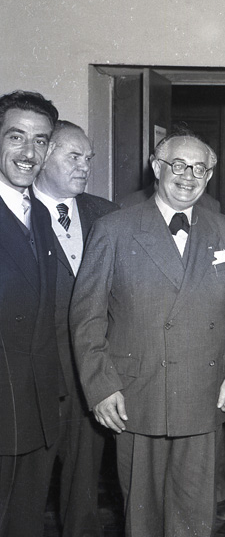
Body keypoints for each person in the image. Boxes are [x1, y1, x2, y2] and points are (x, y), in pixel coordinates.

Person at [69, 128, 225, 537]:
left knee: (194, 513)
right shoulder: (114, 229)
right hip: (137, 394)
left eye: (199, 168)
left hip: (203, 391)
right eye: (178, 165)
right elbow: (87, 317)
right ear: (156, 168)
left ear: (209, 176)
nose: (188, 176)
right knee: (142, 516)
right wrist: (101, 386)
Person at [33, 120, 118, 537]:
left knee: (83, 486)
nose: (84, 166)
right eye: (74, 156)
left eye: (88, 158)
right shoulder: (15, 212)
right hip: (33, 377)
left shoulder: (107, 214)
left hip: (88, 374)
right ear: (44, 155)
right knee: (26, 488)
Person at [0, 90, 62, 537]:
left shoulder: (39, 213)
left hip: (37, 406)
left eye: (40, 141)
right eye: (16, 136)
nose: (28, 152)